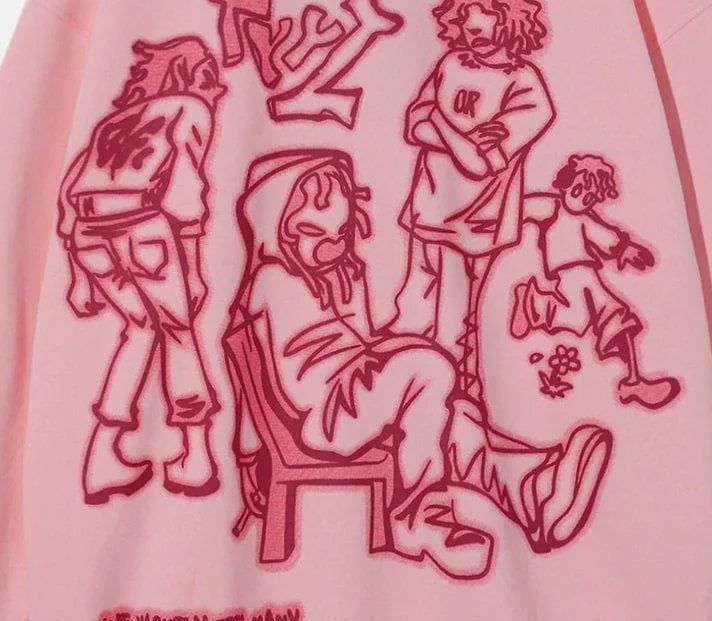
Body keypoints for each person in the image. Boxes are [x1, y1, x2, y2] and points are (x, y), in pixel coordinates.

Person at [229, 148, 613, 580]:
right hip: (326, 415)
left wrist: (385, 335)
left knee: (452, 415)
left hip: (353, 398)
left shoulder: (341, 277)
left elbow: (363, 347)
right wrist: (250, 457)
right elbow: (251, 382)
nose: (332, 244)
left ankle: (532, 492)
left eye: (341, 231)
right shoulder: (272, 280)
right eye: (311, 230)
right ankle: (417, 515)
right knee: (427, 370)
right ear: (275, 223)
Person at [57, 35, 224, 503]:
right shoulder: (188, 108)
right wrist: (193, 265)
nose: (214, 82)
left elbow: (71, 191)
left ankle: (102, 458)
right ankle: (195, 455)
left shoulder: (115, 121)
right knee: (179, 333)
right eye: (206, 72)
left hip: (90, 235)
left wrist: (78, 276)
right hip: (142, 229)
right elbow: (186, 187)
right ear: (188, 73)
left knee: (139, 330)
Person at [394, 0, 555, 393]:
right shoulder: (450, 64)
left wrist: (440, 122)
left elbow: (480, 163)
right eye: (464, 17)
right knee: (414, 313)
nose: (471, 27)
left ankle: (463, 400)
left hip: (481, 226)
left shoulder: (527, 86)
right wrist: (462, 137)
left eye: (482, 16)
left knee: (467, 325)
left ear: (509, 17)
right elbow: (413, 125)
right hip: (428, 213)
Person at [511, 152, 680, 410]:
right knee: (579, 317)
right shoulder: (550, 207)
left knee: (613, 318)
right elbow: (515, 207)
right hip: (568, 279)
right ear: (565, 183)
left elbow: (608, 237)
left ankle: (633, 381)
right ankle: (531, 301)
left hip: (588, 279)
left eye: (589, 197)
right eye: (577, 189)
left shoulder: (587, 221)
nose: (581, 199)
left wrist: (626, 249)